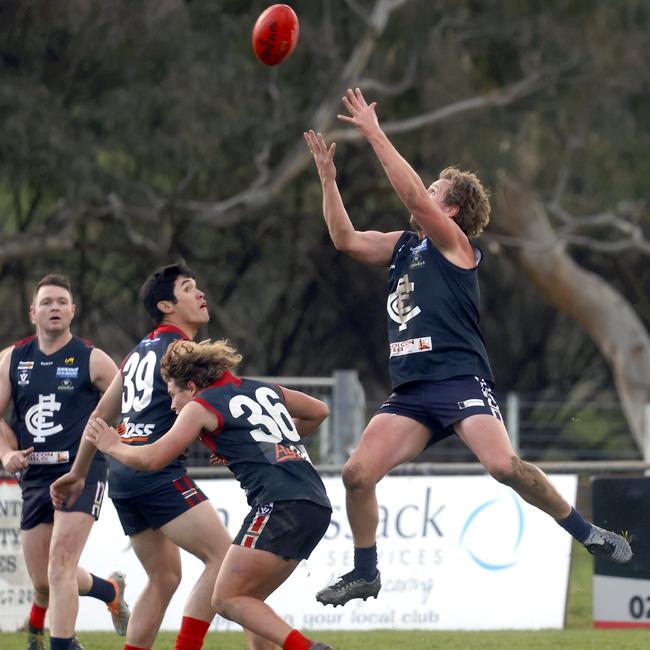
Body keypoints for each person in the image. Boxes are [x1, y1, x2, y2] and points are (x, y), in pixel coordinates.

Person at [303, 88, 633, 607]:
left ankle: (585, 532)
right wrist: (328, 178)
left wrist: (373, 131)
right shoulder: (402, 246)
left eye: (435, 190)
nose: (425, 194)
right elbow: (344, 239)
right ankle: (365, 573)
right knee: (356, 474)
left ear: (451, 209)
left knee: (503, 467)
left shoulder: (454, 245)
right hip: (412, 391)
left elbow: (412, 198)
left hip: (459, 379)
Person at [50, 263, 272, 650]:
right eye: (189, 289)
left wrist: (79, 471)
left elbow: (101, 415)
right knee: (226, 561)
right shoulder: (182, 350)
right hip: (155, 469)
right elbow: (224, 403)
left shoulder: (139, 351)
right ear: (166, 305)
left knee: (165, 577)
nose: (200, 294)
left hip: (123, 474)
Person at [83, 338, 335, 650]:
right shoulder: (262, 388)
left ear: (191, 386)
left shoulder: (202, 405)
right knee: (249, 601)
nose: (172, 405)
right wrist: (260, 444)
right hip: (316, 503)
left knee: (226, 598)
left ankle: (308, 648)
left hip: (279, 503)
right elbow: (319, 411)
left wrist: (113, 446)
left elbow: (152, 459)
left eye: (173, 394)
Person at [0, 274, 129, 650]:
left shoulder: (93, 359)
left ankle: (63, 644)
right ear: (32, 313)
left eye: (61, 302)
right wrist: (7, 453)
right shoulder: (12, 360)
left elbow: (130, 400)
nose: (54, 307)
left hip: (81, 472)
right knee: (44, 580)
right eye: (46, 302)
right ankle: (110, 590)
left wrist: (117, 438)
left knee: (60, 566)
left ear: (73, 311)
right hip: (35, 478)